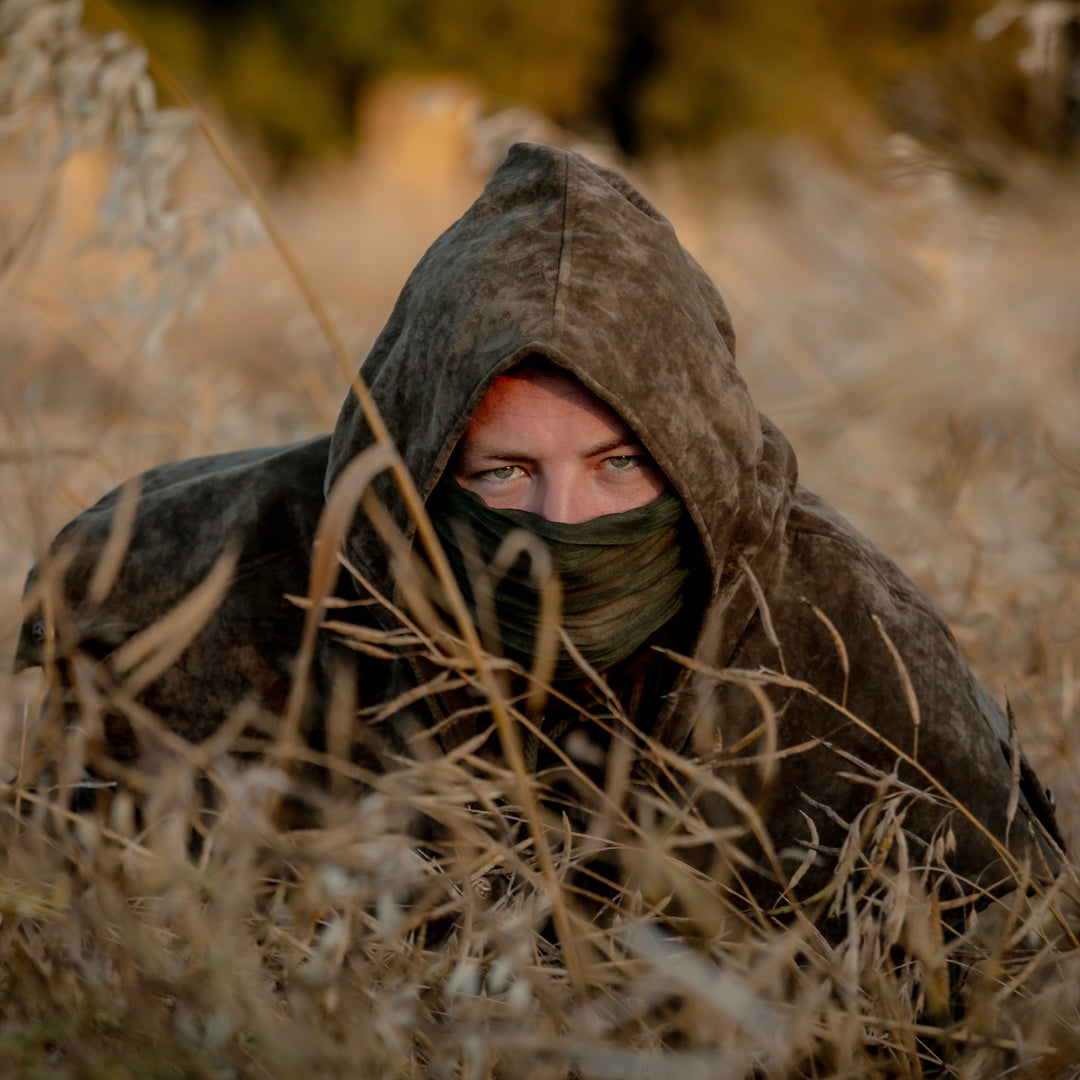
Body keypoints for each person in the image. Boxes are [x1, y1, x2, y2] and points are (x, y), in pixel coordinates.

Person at [15, 142, 1063, 922]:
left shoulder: (847, 644)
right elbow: (76, 918)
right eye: (505, 471)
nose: (560, 527)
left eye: (621, 467)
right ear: (423, 468)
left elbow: (1008, 968)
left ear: (694, 464)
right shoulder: (179, 583)